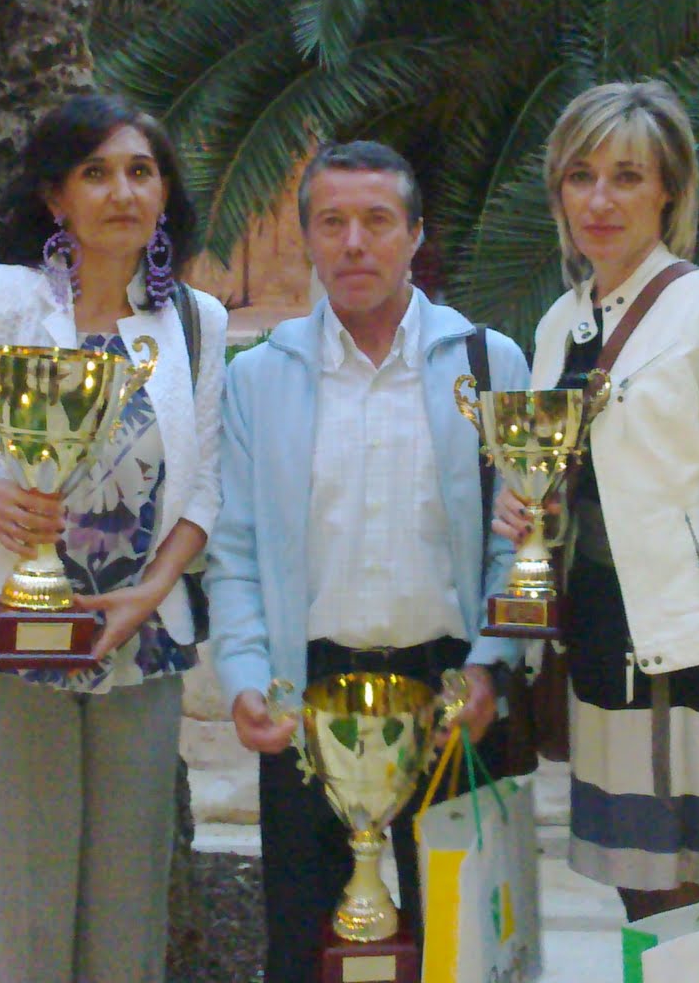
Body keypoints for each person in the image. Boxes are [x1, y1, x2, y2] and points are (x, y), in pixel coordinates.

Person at [0, 93, 226, 983]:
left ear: (165, 192)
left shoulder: (196, 322)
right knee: (21, 921)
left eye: (141, 171)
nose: (123, 192)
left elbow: (206, 484)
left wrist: (153, 591)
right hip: (1, 647)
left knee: (127, 925)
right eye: (95, 173)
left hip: (136, 649)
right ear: (54, 197)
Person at [494, 80, 699, 921]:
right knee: (647, 908)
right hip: (605, 655)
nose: (600, 200)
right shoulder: (560, 325)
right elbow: (570, 486)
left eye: (627, 176)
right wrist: (527, 514)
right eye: (581, 176)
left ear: (668, 190)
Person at [205, 140, 529, 983]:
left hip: (454, 699)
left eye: (378, 221)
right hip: (308, 703)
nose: (354, 243)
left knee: (460, 955)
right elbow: (234, 550)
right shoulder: (259, 379)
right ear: (308, 238)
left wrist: (491, 665)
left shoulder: (489, 364)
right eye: (332, 222)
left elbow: (518, 540)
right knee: (308, 951)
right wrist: (245, 678)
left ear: (415, 235)